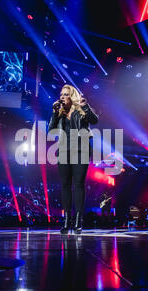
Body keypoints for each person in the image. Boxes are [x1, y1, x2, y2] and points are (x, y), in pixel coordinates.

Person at [49, 84, 98, 234]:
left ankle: (78, 220)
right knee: (65, 185)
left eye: (66, 94)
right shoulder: (60, 112)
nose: (62, 97)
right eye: (61, 94)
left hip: (81, 148)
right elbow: (51, 131)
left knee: (78, 184)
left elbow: (94, 120)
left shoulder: (81, 109)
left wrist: (87, 107)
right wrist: (55, 113)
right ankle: (66, 220)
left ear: (72, 96)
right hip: (64, 150)